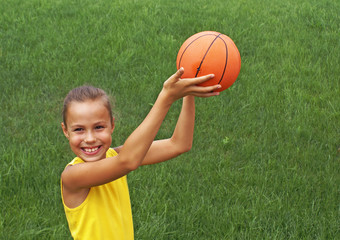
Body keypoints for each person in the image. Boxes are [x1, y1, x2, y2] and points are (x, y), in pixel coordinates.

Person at [60, 68, 221, 239]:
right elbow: (128, 161)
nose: (90, 138)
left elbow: (179, 144)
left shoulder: (115, 156)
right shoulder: (72, 176)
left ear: (112, 125)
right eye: (79, 129)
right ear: (65, 131)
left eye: (99, 127)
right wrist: (166, 97)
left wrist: (188, 93)